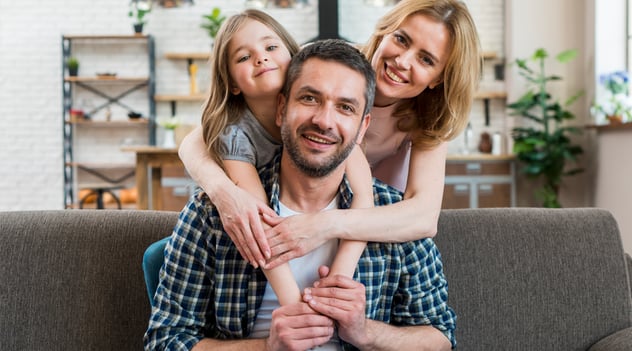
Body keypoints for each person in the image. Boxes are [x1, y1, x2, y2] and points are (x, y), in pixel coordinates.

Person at [144, 39, 455, 351]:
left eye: (345, 107)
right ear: (281, 108)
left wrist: (365, 332)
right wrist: (267, 347)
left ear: (363, 128)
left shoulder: (392, 217)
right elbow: (164, 341)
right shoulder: (215, 213)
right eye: (309, 98)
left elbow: (442, 339)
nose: (323, 121)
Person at [177, 0, 482, 269]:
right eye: (401, 39)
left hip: (369, 241)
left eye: (426, 59)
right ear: (383, 33)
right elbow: (202, 138)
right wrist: (224, 193)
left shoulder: (430, 120)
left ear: (440, 77)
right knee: (165, 254)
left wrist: (323, 226)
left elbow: (423, 217)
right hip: (289, 218)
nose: (402, 61)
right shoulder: (330, 64)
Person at [144, 9, 372, 306]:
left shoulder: (325, 123)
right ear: (233, 83)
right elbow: (258, 219)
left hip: (311, 225)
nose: (261, 58)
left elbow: (364, 199)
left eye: (271, 47)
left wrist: (340, 276)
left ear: (293, 56)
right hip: (240, 235)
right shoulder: (235, 134)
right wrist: (294, 305)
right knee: (160, 256)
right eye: (243, 57)